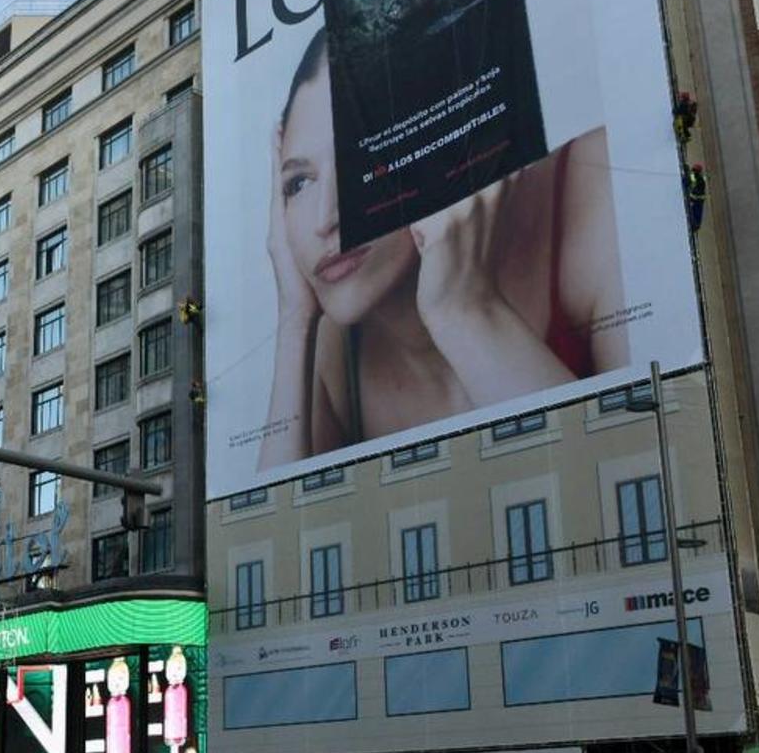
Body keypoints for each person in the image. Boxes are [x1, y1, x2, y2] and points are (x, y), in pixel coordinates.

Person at [257, 28, 626, 470]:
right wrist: (293, 322)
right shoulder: (329, 330)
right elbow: (271, 534)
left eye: (365, 164)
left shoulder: (594, 188)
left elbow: (626, 491)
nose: (324, 219)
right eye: (298, 182)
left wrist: (467, 309)